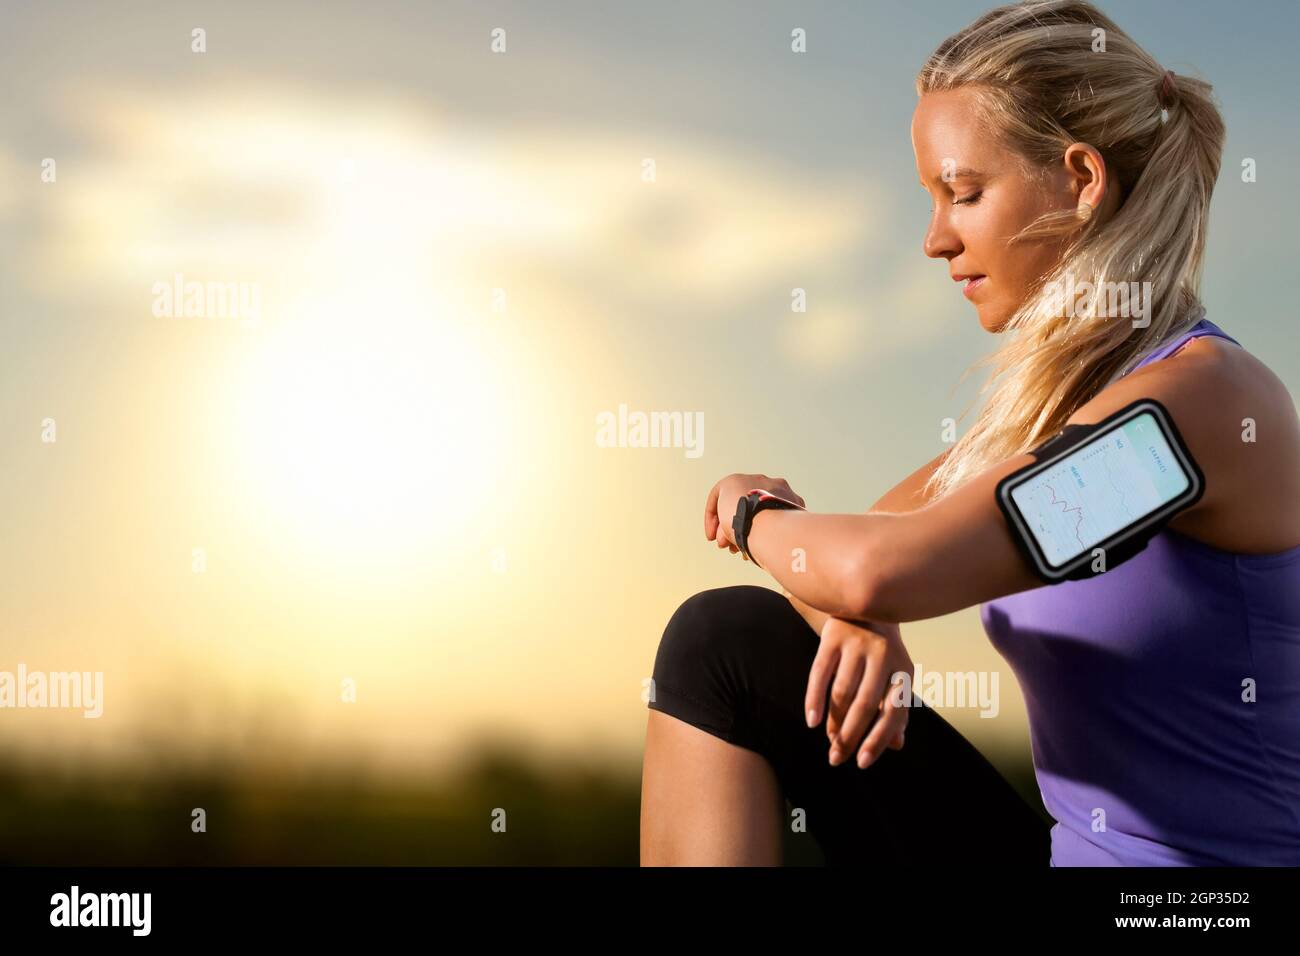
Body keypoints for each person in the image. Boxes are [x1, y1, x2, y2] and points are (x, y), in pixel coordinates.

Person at [640, 0, 1300, 867]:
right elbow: (868, 550)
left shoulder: (1196, 415)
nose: (934, 239)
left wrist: (757, 511)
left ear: (1080, 179)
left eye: (964, 193)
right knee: (725, 643)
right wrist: (870, 616)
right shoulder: (1050, 418)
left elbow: (878, 563)